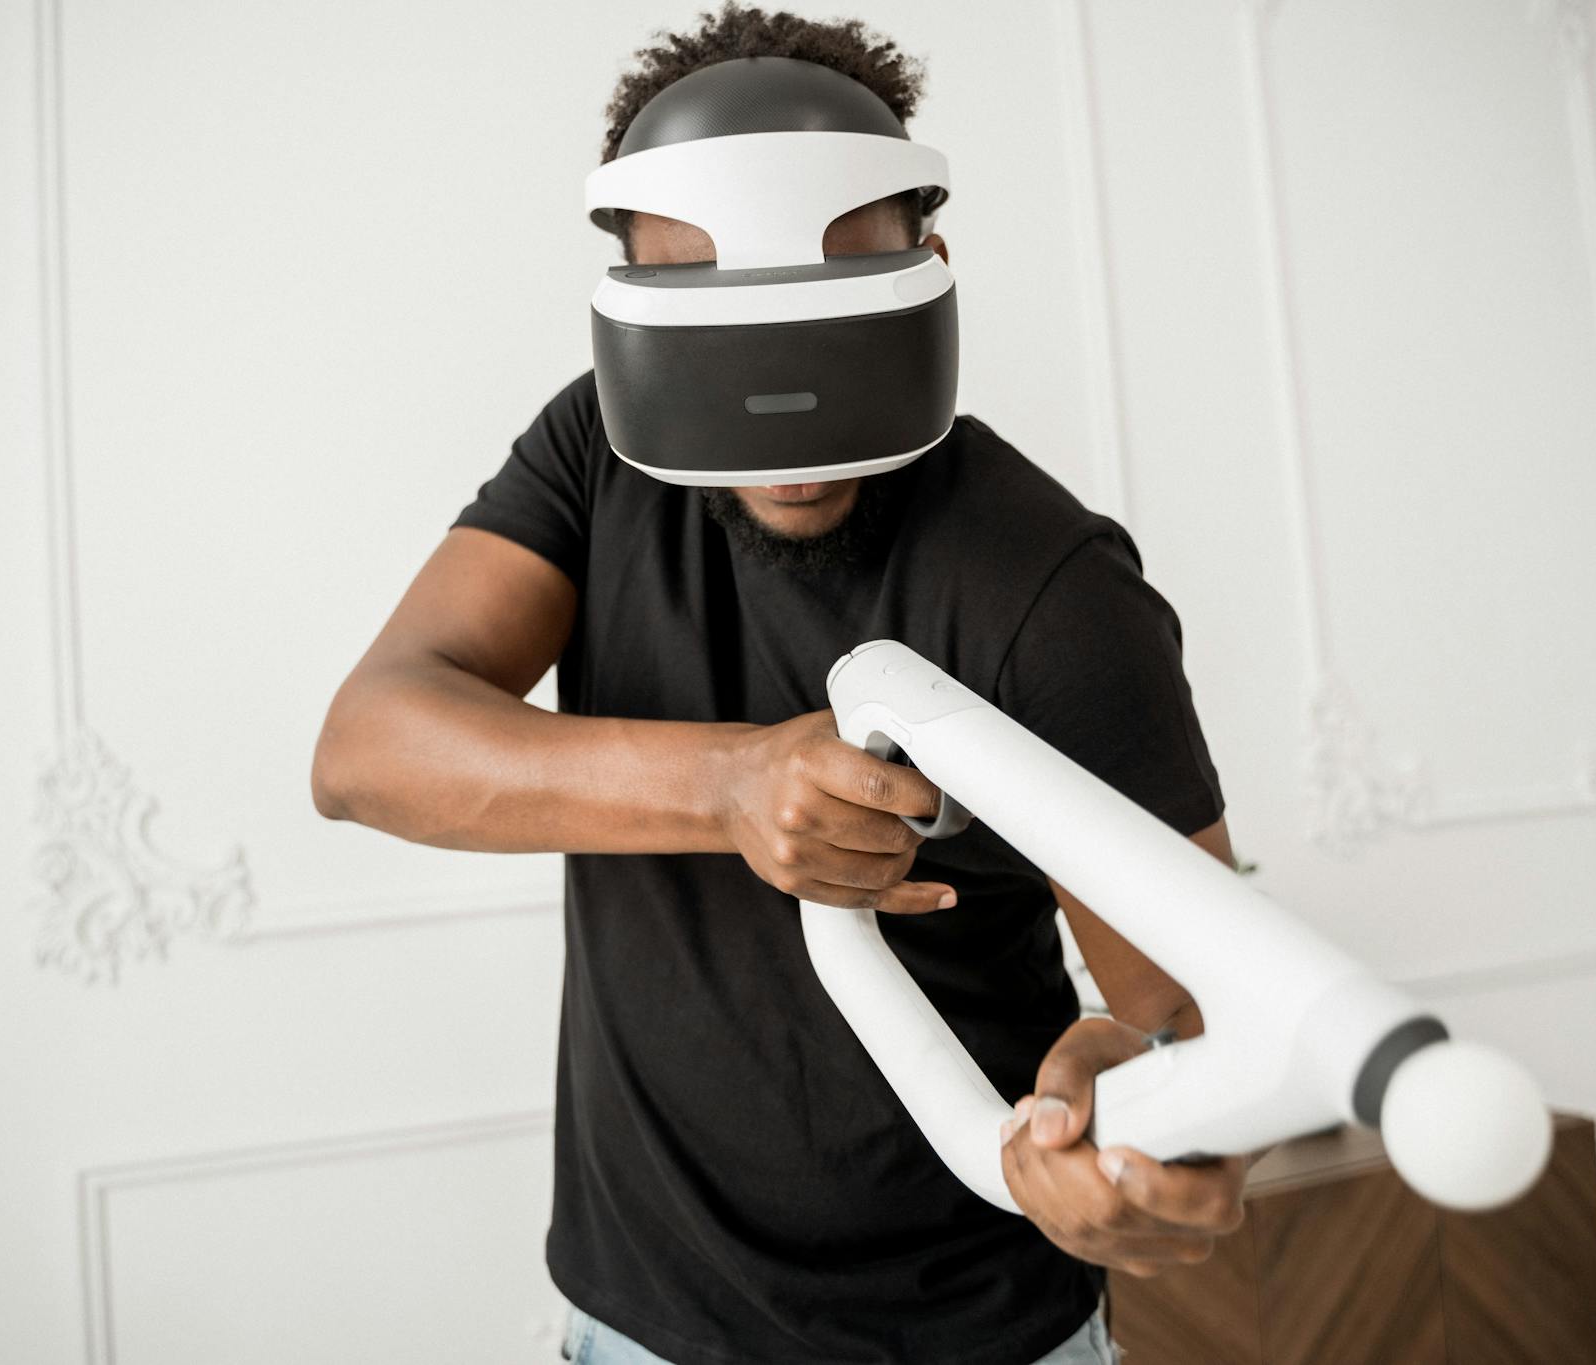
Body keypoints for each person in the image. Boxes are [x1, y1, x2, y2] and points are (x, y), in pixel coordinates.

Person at [311, 6, 1252, 1362]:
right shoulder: (595, 458)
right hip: (634, 1320)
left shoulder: (1049, 587)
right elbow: (366, 745)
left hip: (970, 1333)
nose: (789, 442)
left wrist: (1119, 1128)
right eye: (721, 337)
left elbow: (1183, 1011)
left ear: (924, 262)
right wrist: (732, 782)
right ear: (632, 299)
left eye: (822, 334)